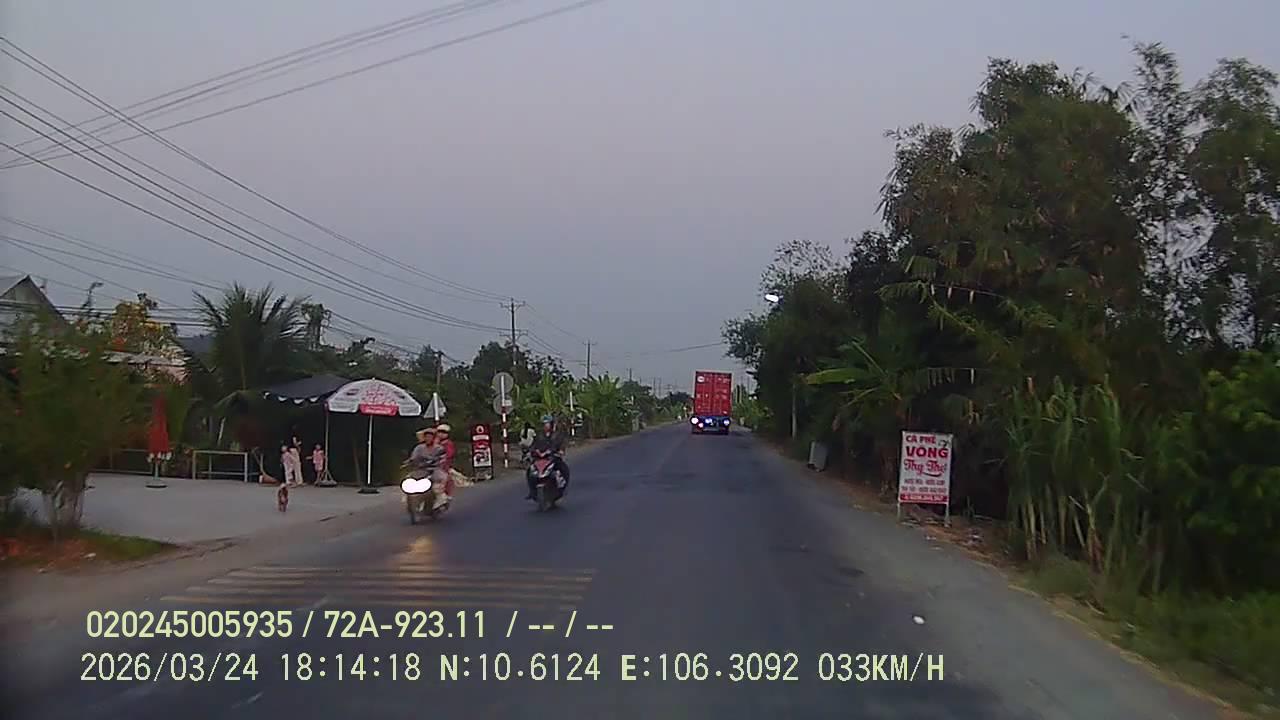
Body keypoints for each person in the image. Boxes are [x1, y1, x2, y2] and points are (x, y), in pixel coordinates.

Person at [526, 414, 569, 499]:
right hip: (539, 458)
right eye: (544, 424)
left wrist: (561, 450)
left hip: (553, 457)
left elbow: (562, 444)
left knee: (563, 468)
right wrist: (533, 451)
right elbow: (533, 445)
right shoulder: (539, 435)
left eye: (547, 423)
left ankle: (561, 487)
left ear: (551, 424)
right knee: (530, 472)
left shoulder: (557, 435)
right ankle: (532, 491)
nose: (546, 426)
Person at [433, 424, 457, 509]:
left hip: (443, 466)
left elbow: (449, 454)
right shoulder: (434, 442)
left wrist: (443, 458)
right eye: (439, 432)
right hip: (431, 466)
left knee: (445, 479)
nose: (441, 434)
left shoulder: (448, 444)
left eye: (443, 432)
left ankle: (444, 497)